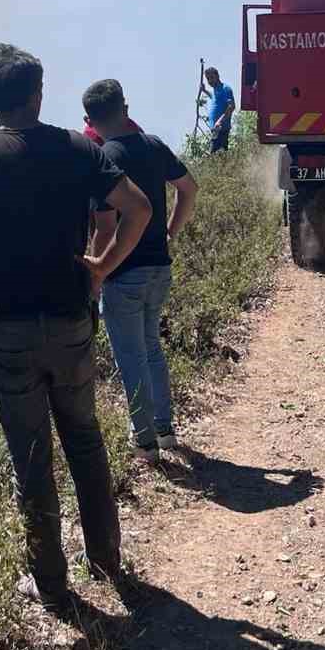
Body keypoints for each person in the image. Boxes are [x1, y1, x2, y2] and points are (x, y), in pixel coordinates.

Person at [0, 44, 152, 613]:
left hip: (6, 328)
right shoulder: (78, 149)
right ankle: (106, 559)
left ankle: (51, 585)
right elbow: (139, 208)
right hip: (71, 318)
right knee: (84, 439)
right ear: (38, 93)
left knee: (30, 456)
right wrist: (102, 267)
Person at [82, 78, 199, 462]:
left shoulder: (102, 160)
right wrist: (170, 231)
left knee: (129, 356)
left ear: (90, 120)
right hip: (158, 268)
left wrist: (96, 274)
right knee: (150, 348)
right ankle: (165, 431)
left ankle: (145, 442)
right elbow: (189, 188)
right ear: (125, 108)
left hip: (123, 273)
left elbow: (104, 227)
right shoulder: (153, 145)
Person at [200, 66, 236, 152]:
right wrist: (204, 90)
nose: (210, 81)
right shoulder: (215, 91)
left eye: (212, 78)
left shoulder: (225, 89)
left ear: (217, 76)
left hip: (222, 129)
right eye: (208, 79)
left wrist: (219, 121)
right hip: (215, 130)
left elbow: (231, 107)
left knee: (216, 154)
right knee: (218, 155)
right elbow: (213, 97)